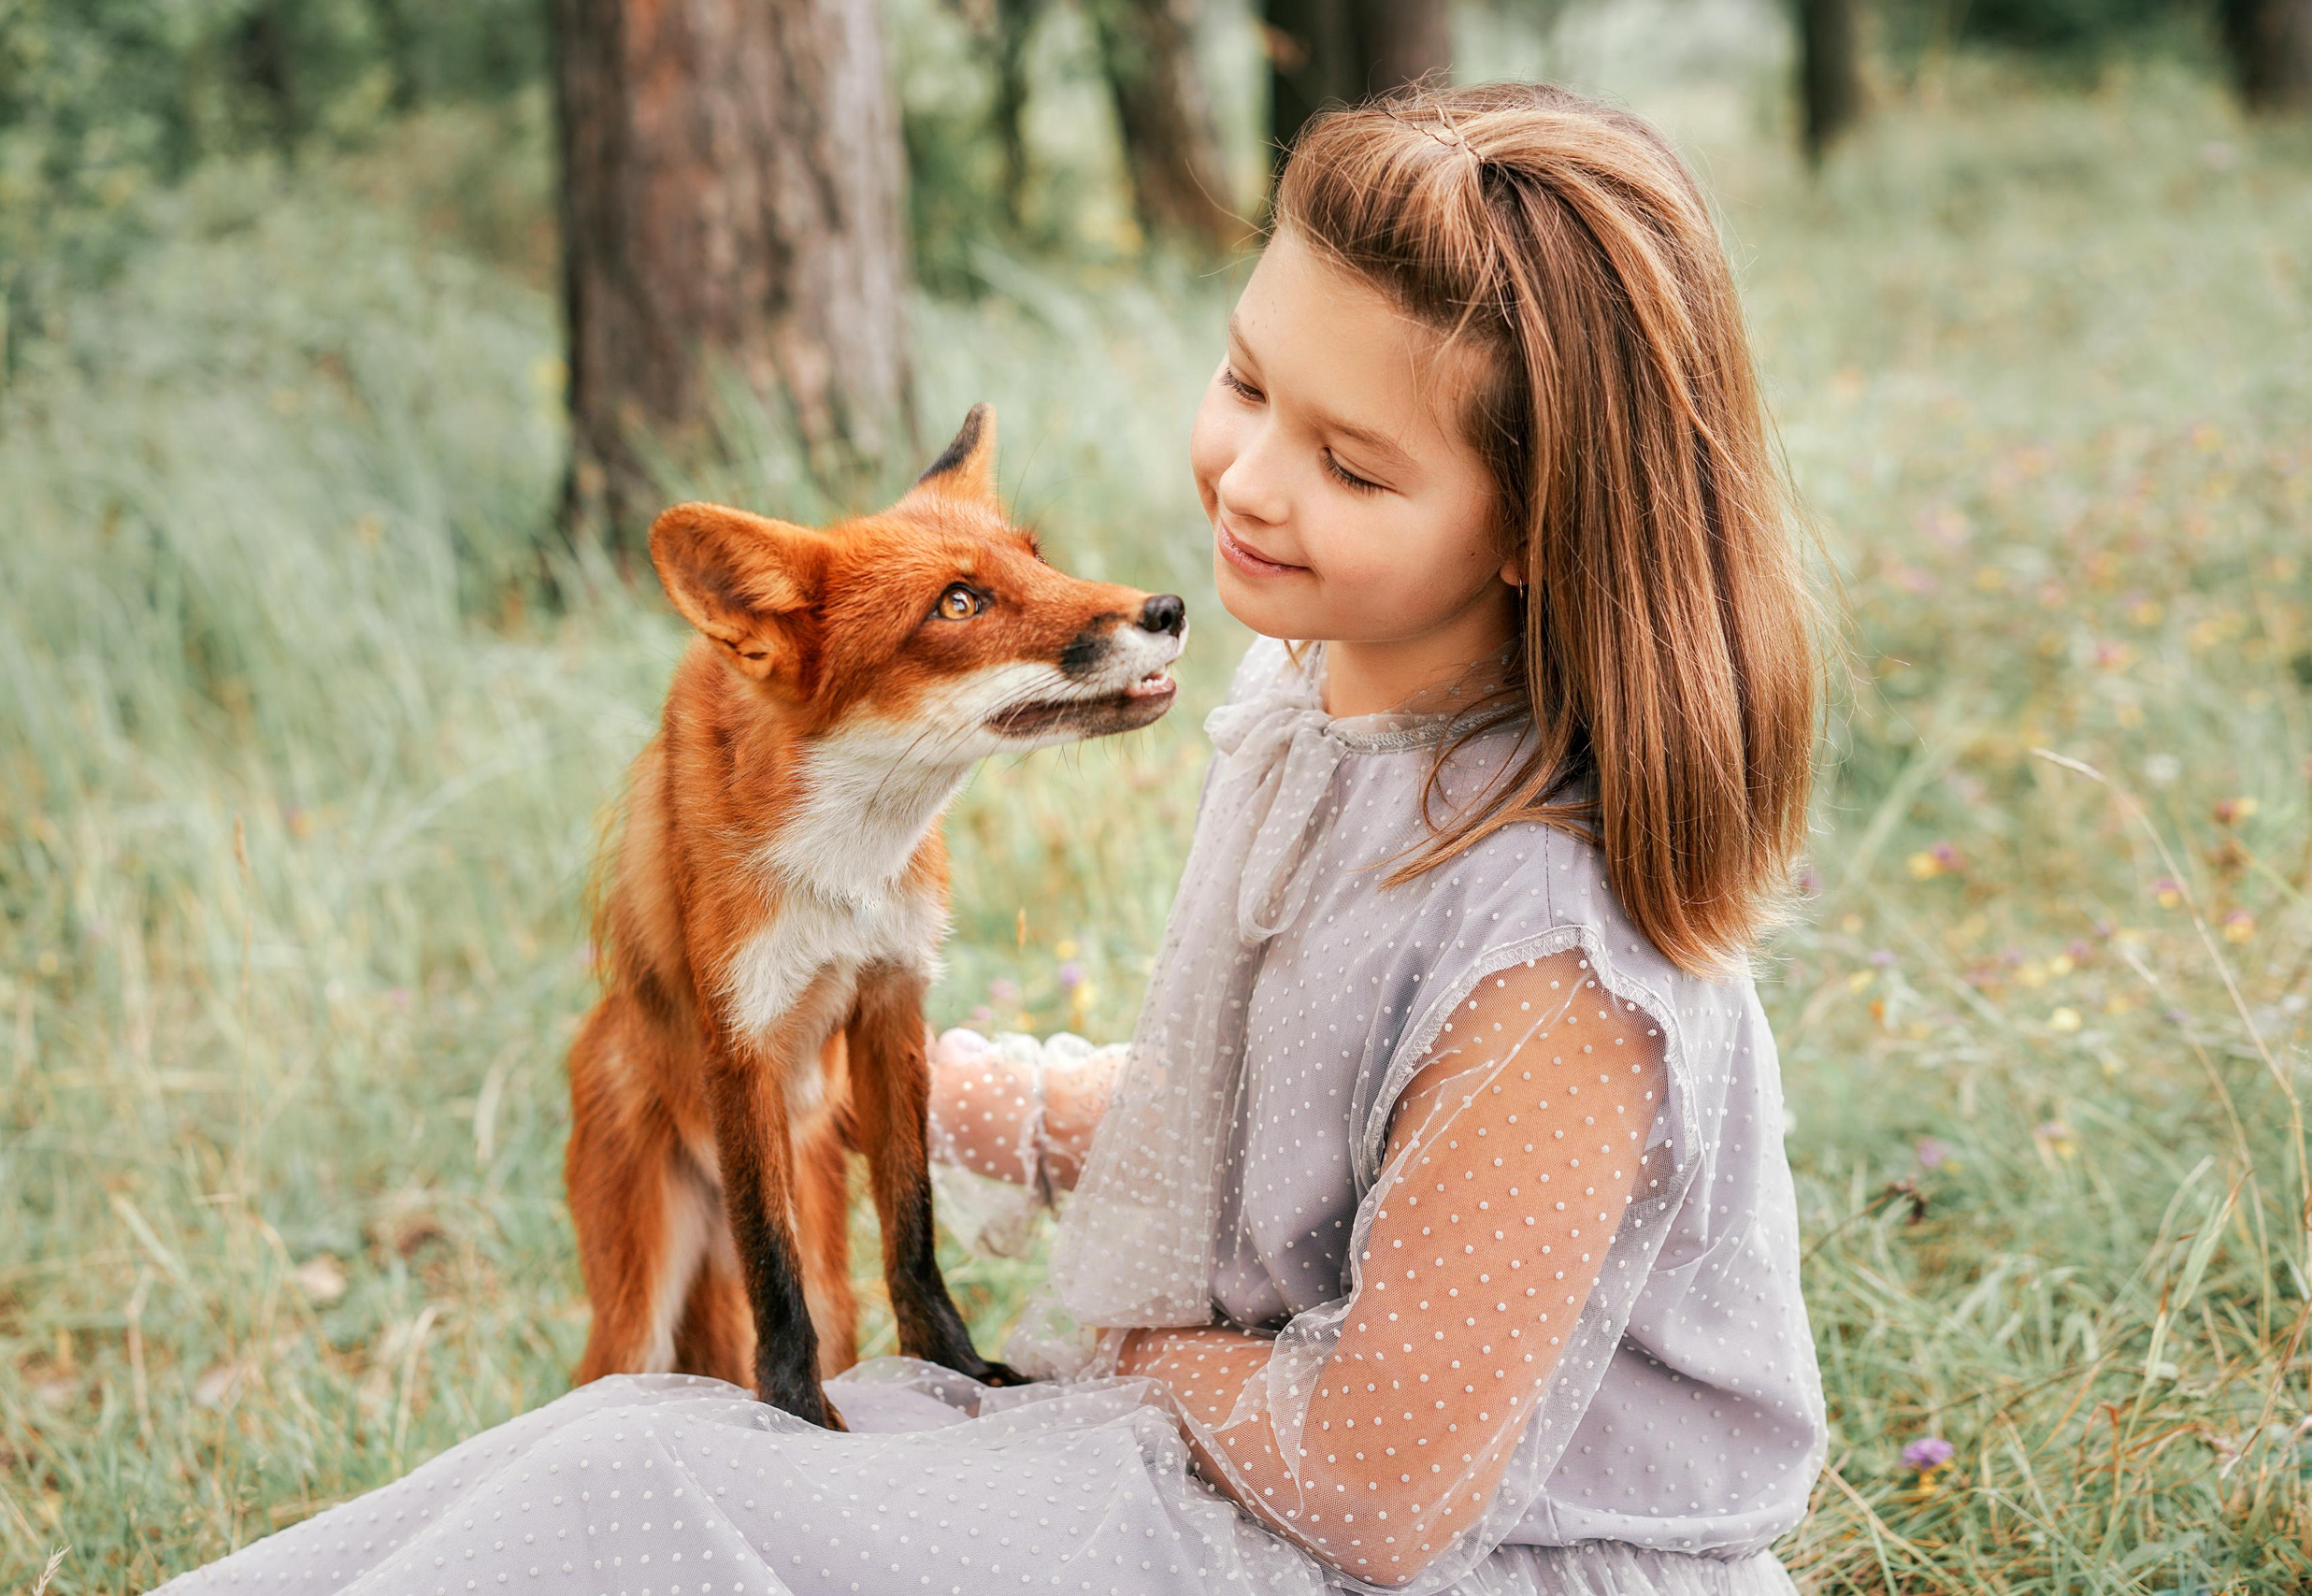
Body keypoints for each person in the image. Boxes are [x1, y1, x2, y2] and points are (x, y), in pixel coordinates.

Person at [158, 80, 1825, 1596]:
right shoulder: (1316, 696)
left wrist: (1119, 1351)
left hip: (1409, 1557)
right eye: (1247, 379)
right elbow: (1298, 1130)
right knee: (631, 1442)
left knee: (661, 1492)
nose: (1247, 478)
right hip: (1230, 1463)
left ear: (1540, 523)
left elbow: (1380, 1484)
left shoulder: (1554, 962)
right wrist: (971, 1099)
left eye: (1353, 467)